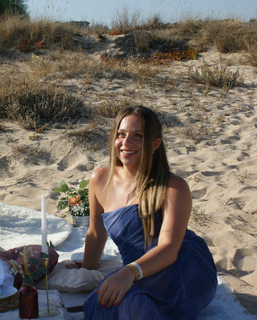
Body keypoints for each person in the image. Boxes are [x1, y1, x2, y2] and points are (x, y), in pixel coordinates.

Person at [82, 106, 217, 319]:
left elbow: (169, 249)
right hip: (138, 268)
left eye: (138, 136)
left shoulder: (173, 187)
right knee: (98, 303)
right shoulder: (99, 179)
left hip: (181, 264)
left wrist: (128, 273)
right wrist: (85, 270)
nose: (126, 143)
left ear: (155, 144)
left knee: (132, 305)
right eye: (121, 134)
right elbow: (96, 233)